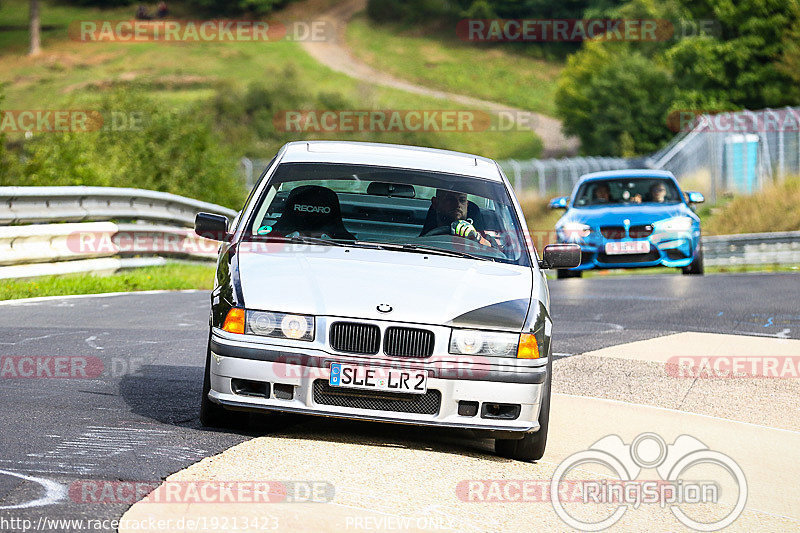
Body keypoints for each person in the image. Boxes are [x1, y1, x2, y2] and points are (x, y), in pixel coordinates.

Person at [421, 189, 493, 247]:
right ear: (435, 203)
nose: (458, 204)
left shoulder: (482, 238)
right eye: (450, 199)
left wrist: (478, 238)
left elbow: (497, 253)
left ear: (467, 205)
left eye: (462, 200)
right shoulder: (420, 243)